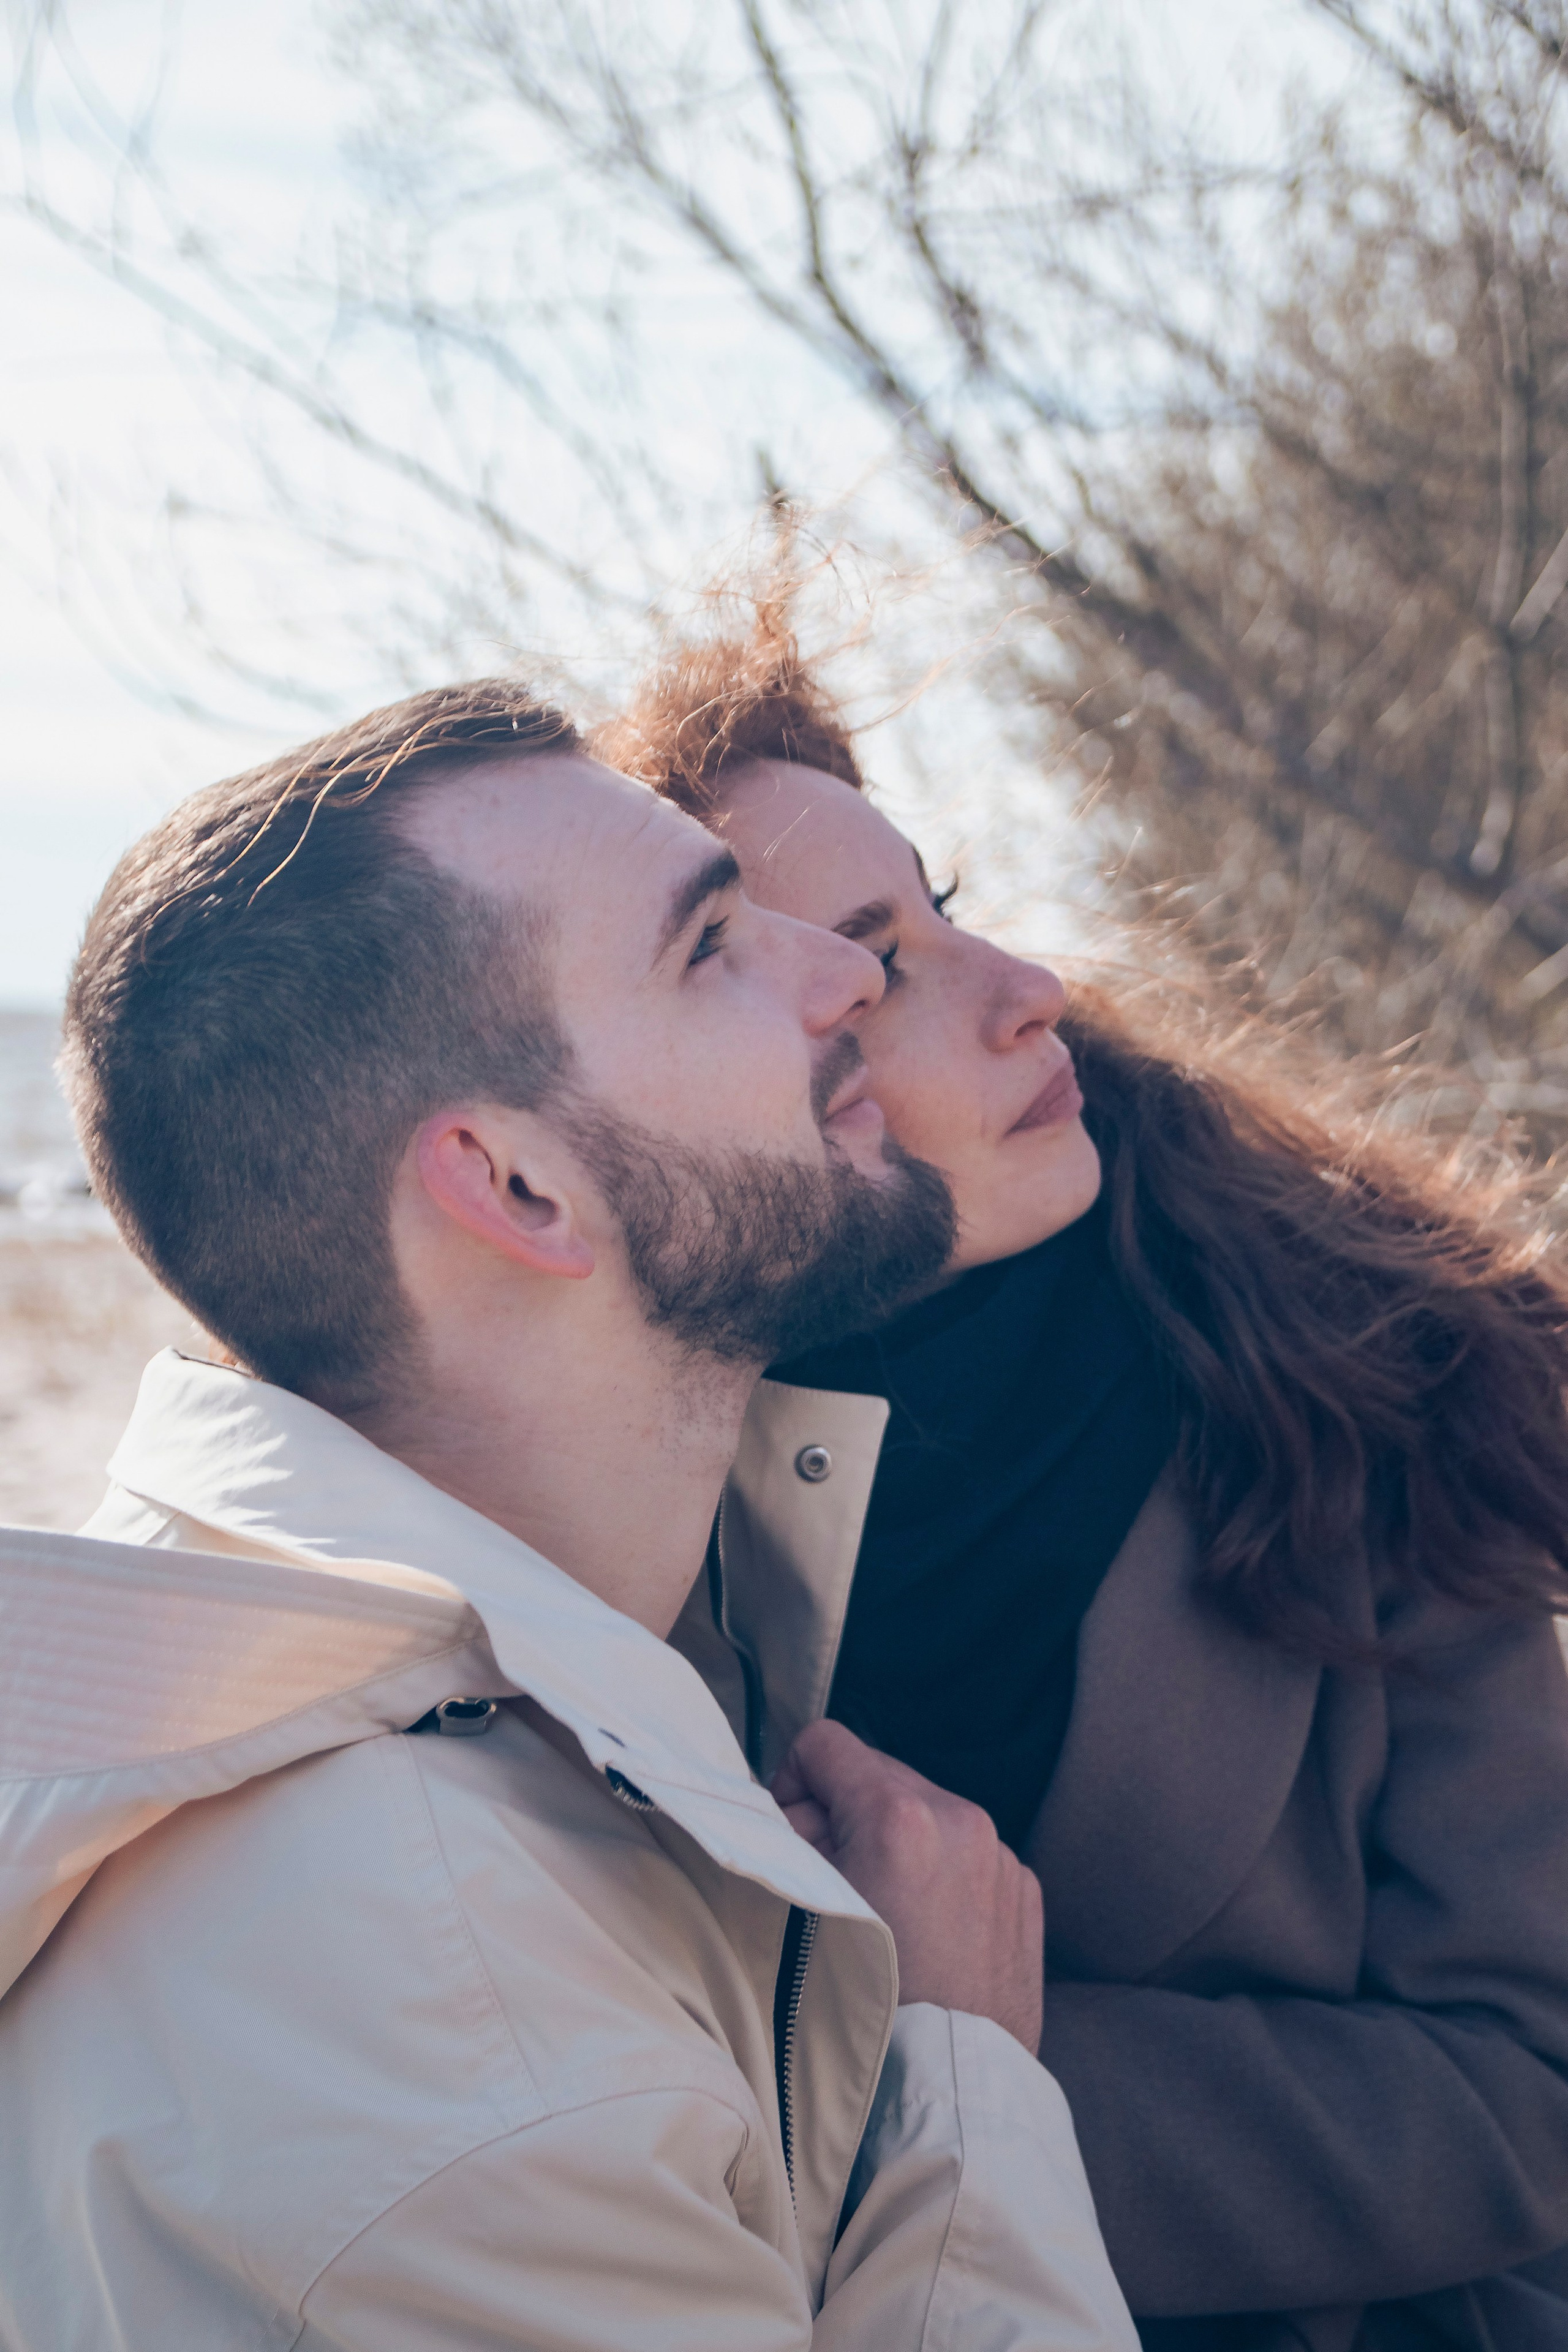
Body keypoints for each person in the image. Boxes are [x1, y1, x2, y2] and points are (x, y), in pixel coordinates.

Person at [0, 683, 1140, 2350]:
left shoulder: (469, 1682)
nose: (836, 979)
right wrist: (961, 2071)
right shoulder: (460, 2049)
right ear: (517, 1186)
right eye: (712, 948)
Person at [597, 611, 1568, 2352]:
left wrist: (974, 2073)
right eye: (880, 961)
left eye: (947, 904)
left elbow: (1537, 2088)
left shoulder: (1356, 1376)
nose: (1026, 983)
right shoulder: (579, 1530)